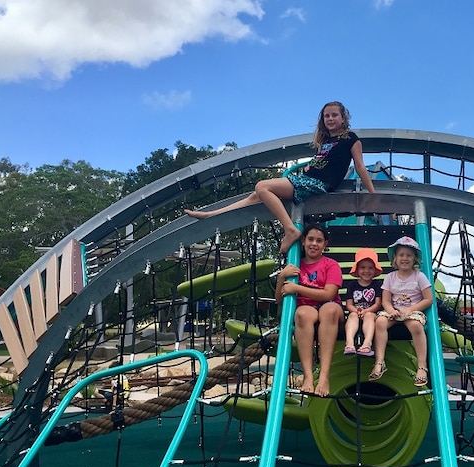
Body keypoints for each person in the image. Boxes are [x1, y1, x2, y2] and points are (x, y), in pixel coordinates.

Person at [184, 101, 377, 254]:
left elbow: (359, 166)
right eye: (326, 116)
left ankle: (290, 229)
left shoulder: (351, 138)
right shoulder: (325, 141)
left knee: (262, 187)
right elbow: (323, 160)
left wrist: (373, 195)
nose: (330, 118)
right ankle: (210, 214)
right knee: (254, 197)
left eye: (335, 115)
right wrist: (310, 165)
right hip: (307, 178)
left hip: (318, 184)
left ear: (344, 118)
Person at [275, 223, 344, 396]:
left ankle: (324, 375)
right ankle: (307, 375)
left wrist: (297, 289)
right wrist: (282, 277)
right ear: (304, 241)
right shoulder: (295, 265)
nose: (314, 244)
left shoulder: (331, 264)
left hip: (330, 307)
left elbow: (329, 294)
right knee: (302, 313)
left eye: (319, 241)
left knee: (329, 310)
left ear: (325, 244)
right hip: (308, 309)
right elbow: (279, 300)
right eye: (311, 239)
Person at [369, 236, 434, 387]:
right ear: (395, 259)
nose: (405, 258)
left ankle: (422, 366)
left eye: (409, 255)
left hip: (412, 311)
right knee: (380, 321)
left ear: (415, 258)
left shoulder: (419, 276)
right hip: (394, 311)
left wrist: (410, 309)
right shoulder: (391, 277)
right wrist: (391, 311)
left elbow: (428, 299)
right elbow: (385, 300)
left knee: (416, 326)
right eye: (401, 255)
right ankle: (379, 361)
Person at [343, 248, 384, 357]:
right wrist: (357, 311)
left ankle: (367, 343)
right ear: (357, 270)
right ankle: (349, 342)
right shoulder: (352, 285)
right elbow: (349, 304)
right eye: (363, 267)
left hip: (371, 313)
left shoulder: (377, 284)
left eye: (370, 268)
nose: (367, 271)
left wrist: (366, 311)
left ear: (375, 270)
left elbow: (377, 303)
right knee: (352, 315)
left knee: (370, 316)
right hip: (356, 312)